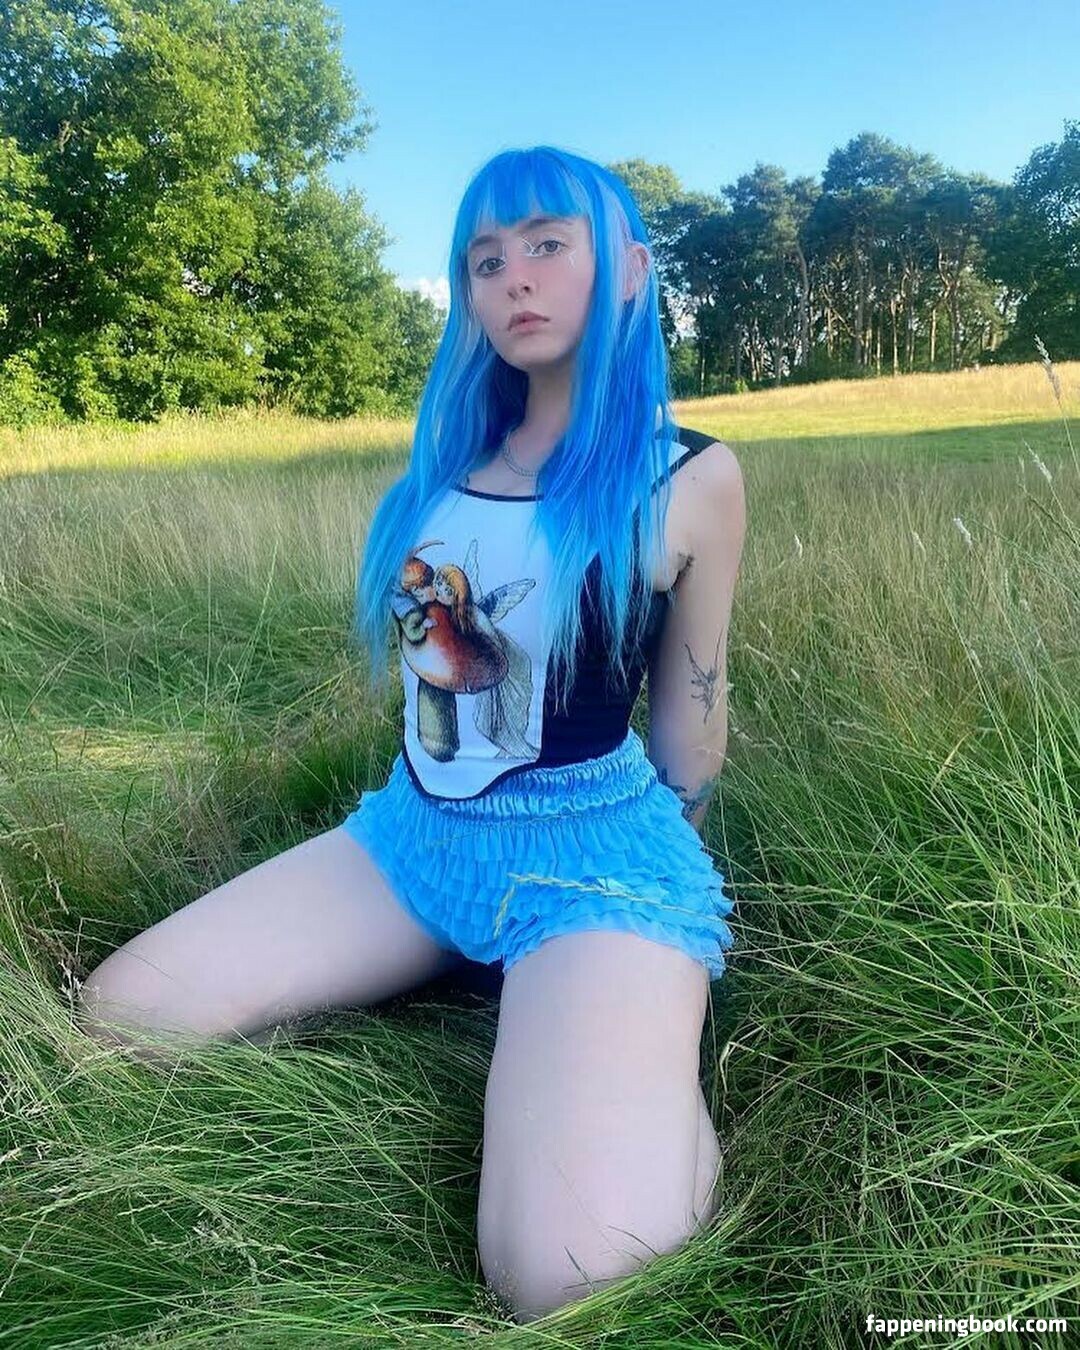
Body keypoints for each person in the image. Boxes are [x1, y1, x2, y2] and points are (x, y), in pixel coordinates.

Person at [77, 144, 747, 1324]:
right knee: (125, 1014)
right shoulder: (441, 470)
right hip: (414, 839)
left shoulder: (685, 475)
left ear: (632, 271)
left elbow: (692, 707)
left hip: (593, 867)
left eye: (548, 244)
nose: (513, 277)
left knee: (564, 1277)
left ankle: (635, 1056)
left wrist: (658, 928)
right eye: (485, 260)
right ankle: (477, 964)